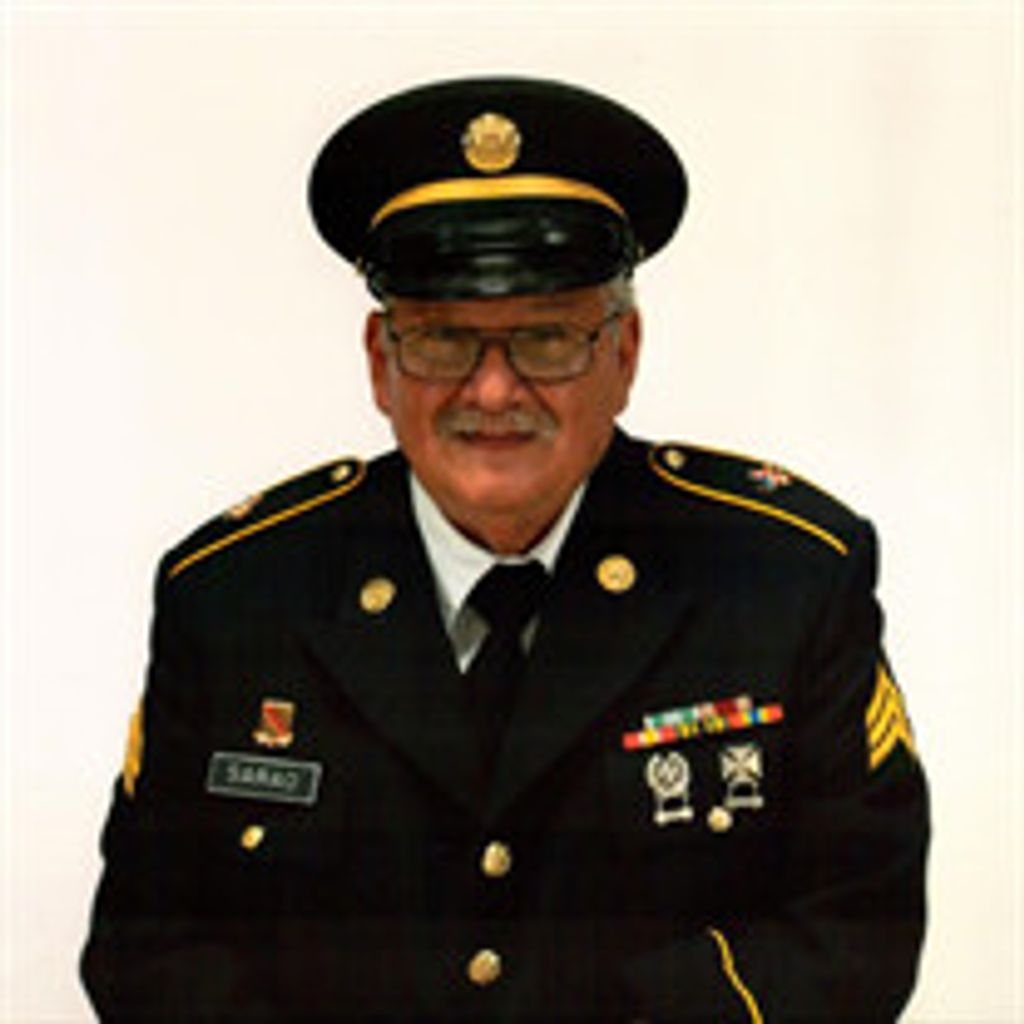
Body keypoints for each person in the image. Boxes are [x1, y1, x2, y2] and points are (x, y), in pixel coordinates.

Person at [81, 76, 929, 1022]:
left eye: (547, 339)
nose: (491, 391)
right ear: (380, 363)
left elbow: (856, 929)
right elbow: (145, 949)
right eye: (443, 341)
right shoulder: (235, 597)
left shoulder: (782, 580)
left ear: (625, 353)